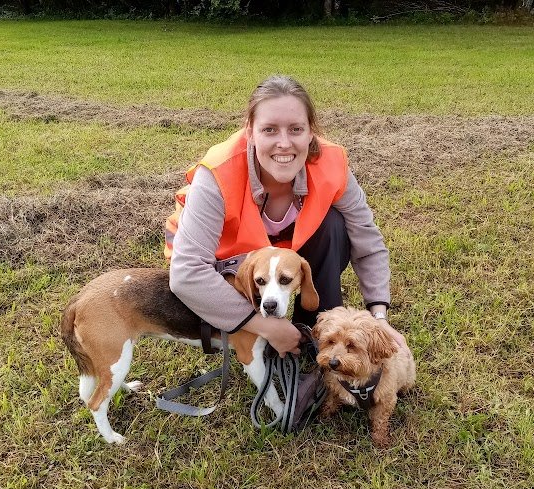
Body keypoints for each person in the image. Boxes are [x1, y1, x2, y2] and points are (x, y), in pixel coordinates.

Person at [167, 75, 409, 358]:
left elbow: (367, 241)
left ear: (310, 132)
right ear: (250, 133)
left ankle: (314, 328)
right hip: (227, 264)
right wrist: (262, 326)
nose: (284, 143)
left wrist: (379, 317)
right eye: (269, 130)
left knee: (334, 225)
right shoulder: (218, 173)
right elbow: (186, 274)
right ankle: (258, 333)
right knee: (232, 312)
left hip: (284, 256)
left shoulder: (331, 164)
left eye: (295, 129)